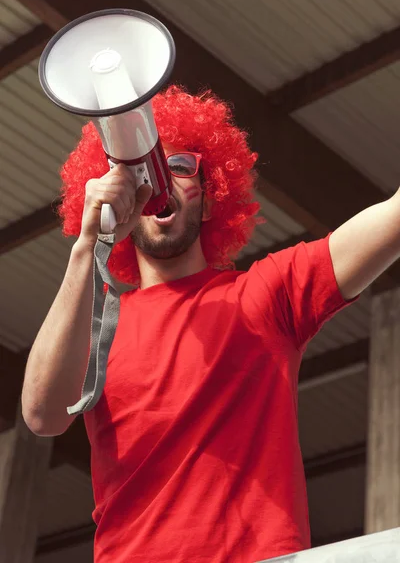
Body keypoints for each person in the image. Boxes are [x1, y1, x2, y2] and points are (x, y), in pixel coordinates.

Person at [21, 86, 400, 563]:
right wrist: (88, 244)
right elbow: (42, 415)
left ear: (212, 196)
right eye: (140, 173)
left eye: (178, 166)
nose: (157, 183)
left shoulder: (267, 295)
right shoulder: (94, 330)